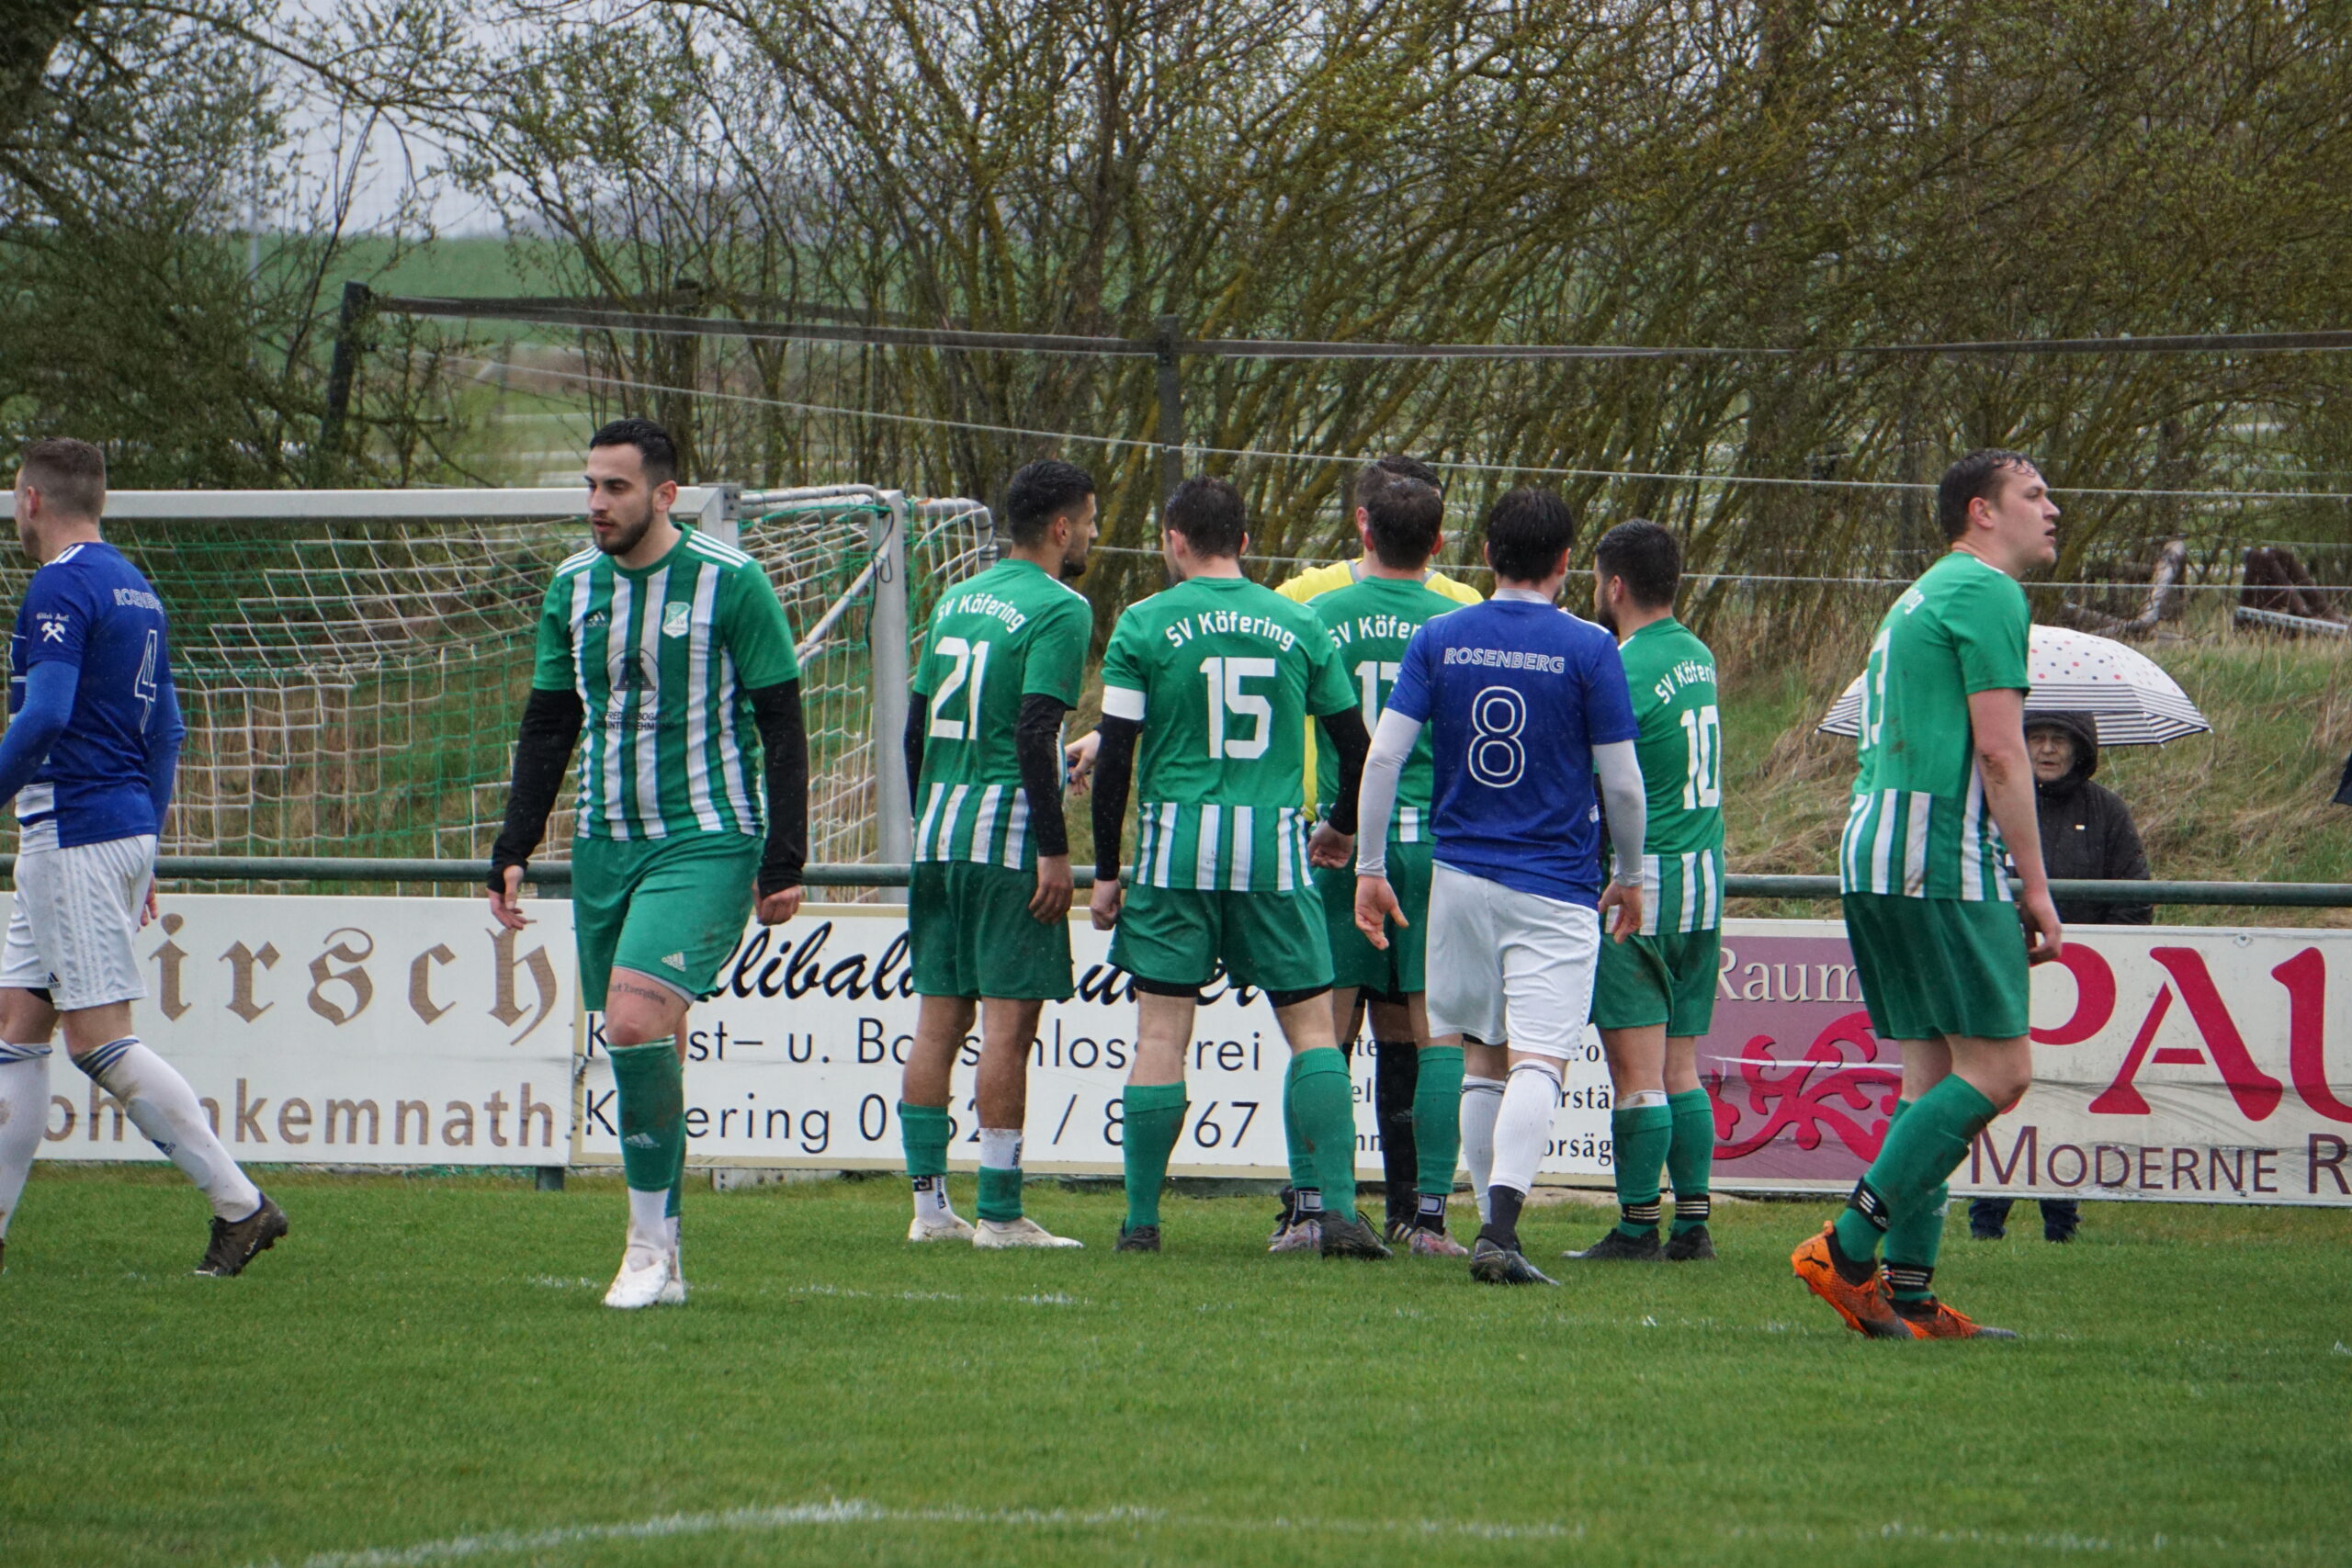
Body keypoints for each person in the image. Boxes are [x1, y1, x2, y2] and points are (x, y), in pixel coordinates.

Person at [487, 417, 808, 1310]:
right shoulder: (572, 587)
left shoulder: (731, 582)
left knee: (629, 1023)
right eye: (590, 485)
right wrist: (514, 845)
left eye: (616, 487)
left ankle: (641, 1250)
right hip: (604, 843)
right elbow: (551, 720)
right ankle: (668, 1254)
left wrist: (785, 855)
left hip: (705, 836)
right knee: (647, 1040)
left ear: (665, 495)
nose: (596, 502)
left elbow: (783, 720)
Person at [1792, 448, 2063, 1340]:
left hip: (1876, 846)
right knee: (2002, 1070)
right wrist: (2034, 883)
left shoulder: (1925, 593)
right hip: (1937, 852)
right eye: (2032, 494)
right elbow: (2001, 751)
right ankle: (1846, 1248)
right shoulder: (1987, 590)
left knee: (1933, 1076)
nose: (2051, 508)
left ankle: (1905, 1295)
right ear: (1982, 512)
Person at [0, 438, 287, 1278]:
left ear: (30, 501)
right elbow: (167, 730)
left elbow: (45, 715)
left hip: (75, 829)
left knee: (98, 1041)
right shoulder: (136, 586)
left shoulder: (59, 583)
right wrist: (147, 843)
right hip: (115, 827)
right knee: (16, 1024)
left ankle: (240, 1205)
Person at [1355, 487, 1647, 1286]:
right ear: (1566, 562)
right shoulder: (1591, 647)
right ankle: (1501, 1230)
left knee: (1482, 1058)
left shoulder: (1440, 636)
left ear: (1486, 554)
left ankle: (1490, 1220)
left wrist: (1371, 867)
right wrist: (1629, 874)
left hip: (1458, 879)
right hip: (1552, 883)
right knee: (1539, 1060)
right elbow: (1623, 786)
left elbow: (1384, 757)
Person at [1088, 475, 1384, 1258]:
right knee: (1314, 1033)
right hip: (1273, 854)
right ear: (1245, 542)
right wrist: (1341, 826)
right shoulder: (1299, 622)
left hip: (1175, 851)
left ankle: (1141, 1223)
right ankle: (1340, 1213)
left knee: (1161, 1036)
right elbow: (1358, 747)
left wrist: (1108, 869)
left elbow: (1115, 756)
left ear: (1173, 540)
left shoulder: (1144, 622)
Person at [1273, 456, 1485, 1242]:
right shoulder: (1461, 619)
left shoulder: (1316, 613)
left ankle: (1312, 1208)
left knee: (1320, 1031)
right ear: (1438, 541)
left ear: (1364, 528)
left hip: (1340, 841)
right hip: (1434, 844)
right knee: (1437, 1032)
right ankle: (1427, 1218)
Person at [897, 459, 1096, 1247]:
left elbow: (915, 730)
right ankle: (1002, 1213)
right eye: (1088, 521)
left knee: (938, 1020)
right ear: (1060, 527)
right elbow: (1032, 729)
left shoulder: (956, 598)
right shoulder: (1061, 606)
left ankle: (929, 1211)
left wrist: (929, 817)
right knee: (1008, 1027)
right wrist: (1053, 850)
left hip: (939, 833)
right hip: (1007, 840)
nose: (1090, 536)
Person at [1572, 519, 1724, 1264]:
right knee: (1680, 1067)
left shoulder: (1619, 665)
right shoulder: (1699, 655)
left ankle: (1637, 1226)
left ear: (1615, 585)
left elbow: (1600, 776)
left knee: (1635, 1073)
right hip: (1705, 880)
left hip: (1643, 882)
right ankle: (1693, 1221)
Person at [1969, 709, 2149, 1243]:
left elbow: (2136, 897)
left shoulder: (2107, 811)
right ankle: (1985, 1218)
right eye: (2037, 738)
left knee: (2066, 1097)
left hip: (2085, 990)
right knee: (1996, 1092)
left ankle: (2062, 1223)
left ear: (2081, 749)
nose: (2047, 749)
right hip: (2001, 971)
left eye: (2059, 740)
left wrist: (2100, 955)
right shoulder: (1985, 802)